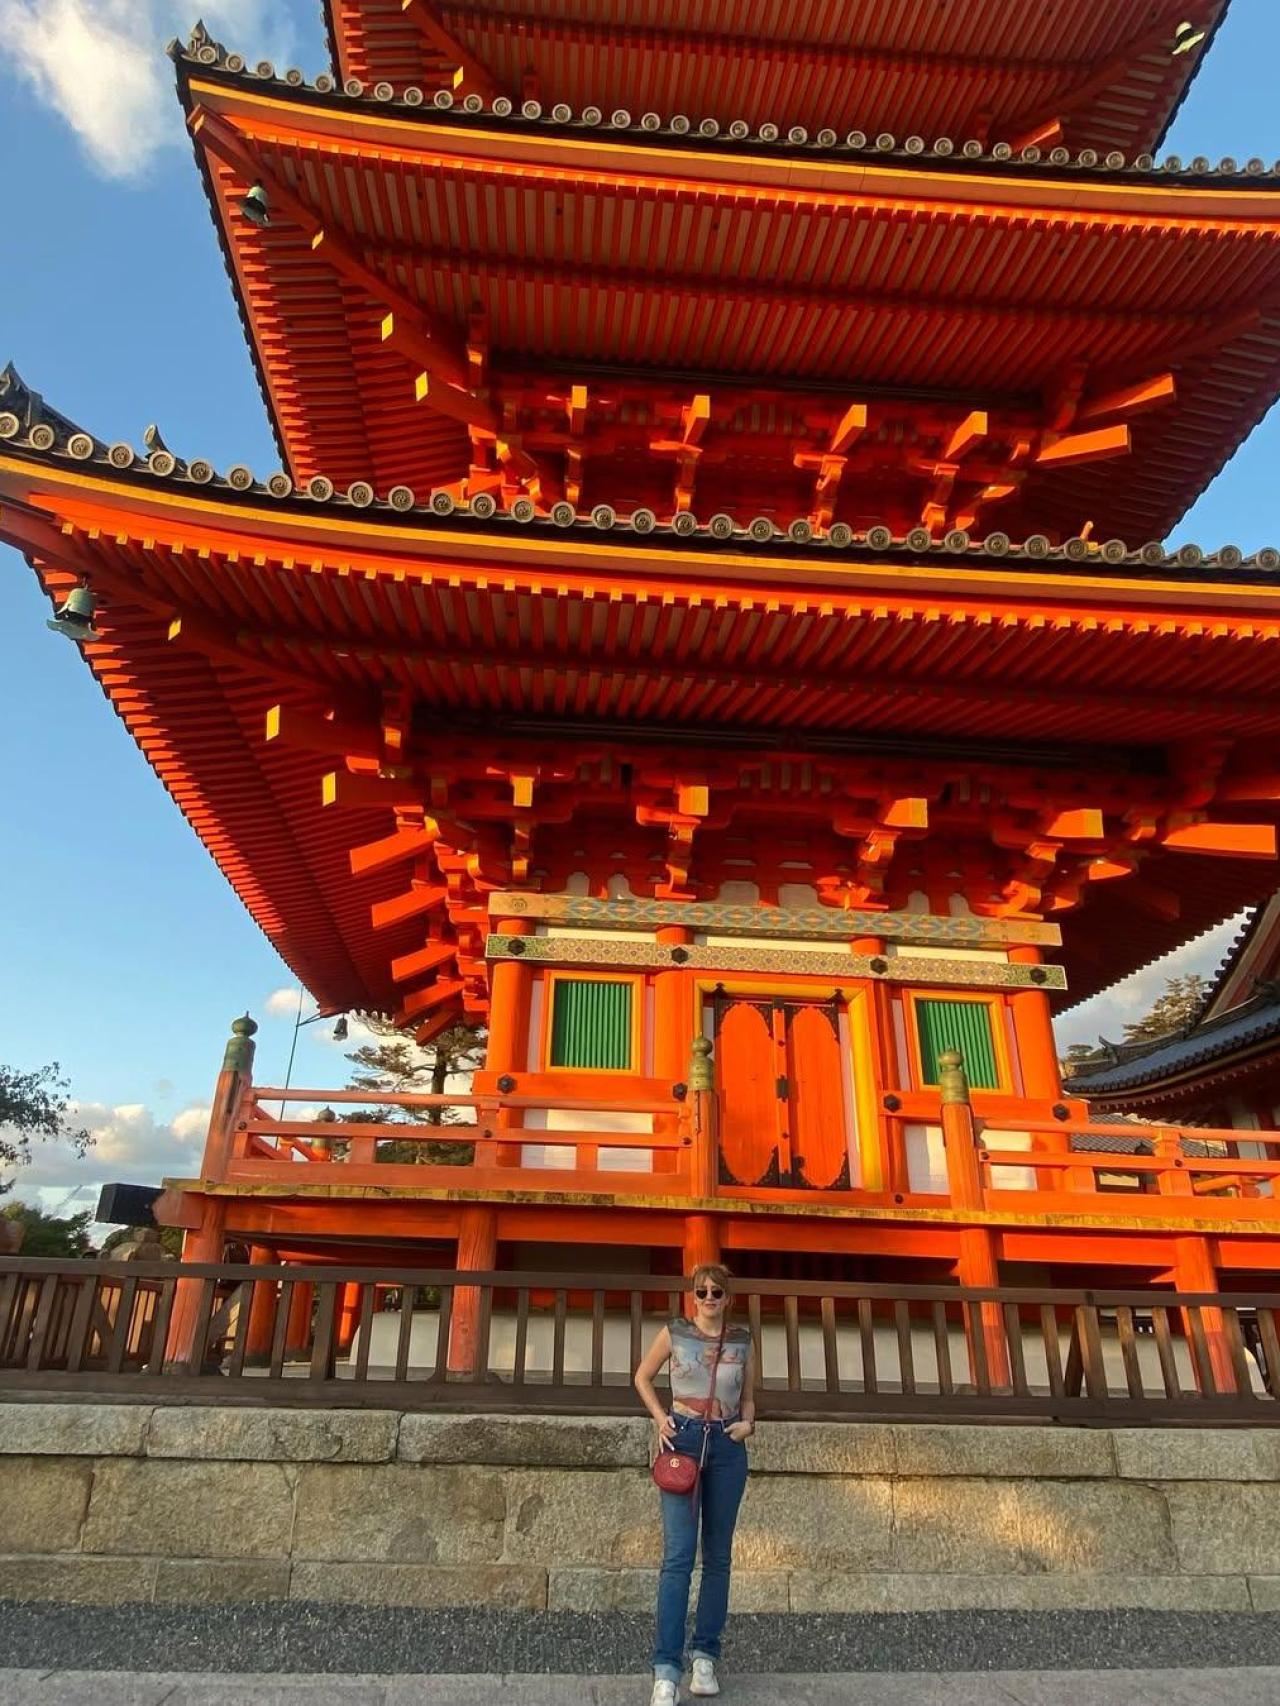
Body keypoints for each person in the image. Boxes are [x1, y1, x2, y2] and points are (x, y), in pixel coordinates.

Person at [634, 1262, 757, 1703]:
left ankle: (705, 1657)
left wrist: (748, 1424)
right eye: (701, 1292)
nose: (708, 1299)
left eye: (716, 1292)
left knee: (719, 1557)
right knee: (678, 1558)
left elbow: (747, 1397)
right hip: (682, 1441)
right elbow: (642, 1376)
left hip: (726, 1446)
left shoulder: (742, 1341)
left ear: (727, 1298)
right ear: (692, 1296)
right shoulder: (675, 1333)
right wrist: (659, 1418)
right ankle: (666, 1670)